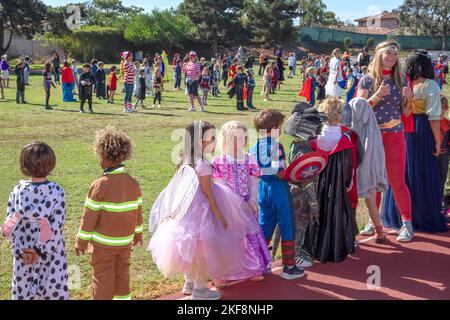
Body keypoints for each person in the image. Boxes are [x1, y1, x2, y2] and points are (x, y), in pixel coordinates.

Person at [149, 121, 257, 300]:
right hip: (203, 212)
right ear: (200, 141)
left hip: (188, 212)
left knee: (192, 249)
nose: (215, 142)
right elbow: (208, 195)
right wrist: (221, 217)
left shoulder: (187, 160)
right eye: (212, 139)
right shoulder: (204, 165)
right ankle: (200, 289)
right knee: (203, 250)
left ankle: (189, 283)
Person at [382, 49, 448, 233]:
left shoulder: (403, 83)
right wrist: (437, 141)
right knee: (423, 172)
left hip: (404, 129)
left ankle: (401, 215)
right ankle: (423, 214)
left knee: (403, 173)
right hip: (423, 130)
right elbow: (434, 117)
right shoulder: (430, 86)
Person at [75, 126, 143, 300]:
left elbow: (88, 218)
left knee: (102, 281)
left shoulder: (99, 185)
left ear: (104, 157)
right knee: (122, 279)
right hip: (125, 243)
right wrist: (138, 233)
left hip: (103, 247)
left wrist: (81, 242)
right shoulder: (133, 183)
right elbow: (138, 212)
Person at [357, 40, 416, 242]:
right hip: (373, 136)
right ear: (379, 54)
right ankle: (375, 221)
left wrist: (409, 98)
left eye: (395, 54)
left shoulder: (402, 80)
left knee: (397, 180)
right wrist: (377, 95)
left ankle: (407, 224)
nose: (392, 57)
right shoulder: (367, 80)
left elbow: (406, 112)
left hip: (395, 134)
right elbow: (359, 108)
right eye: (388, 53)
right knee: (374, 180)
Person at [1, 141, 69, 300]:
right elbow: (56, 227)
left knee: (24, 291)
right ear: (51, 164)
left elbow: (8, 226)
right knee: (53, 290)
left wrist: (20, 250)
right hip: (51, 255)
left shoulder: (17, 190)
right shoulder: (57, 191)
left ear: (23, 165)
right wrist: (38, 250)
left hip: (24, 254)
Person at [211, 121, 271, 287]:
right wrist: (232, 204)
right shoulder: (219, 161)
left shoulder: (249, 159)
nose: (242, 142)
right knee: (229, 238)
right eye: (237, 138)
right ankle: (224, 272)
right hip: (228, 206)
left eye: (244, 138)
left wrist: (252, 200)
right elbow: (220, 185)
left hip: (247, 205)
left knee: (248, 235)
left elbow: (253, 181)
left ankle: (252, 268)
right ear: (227, 140)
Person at [250, 109, 305, 280]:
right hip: (278, 188)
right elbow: (279, 172)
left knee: (265, 225)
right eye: (280, 127)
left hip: (262, 188)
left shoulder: (253, 146)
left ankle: (260, 263)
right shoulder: (276, 146)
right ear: (274, 128)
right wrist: (295, 172)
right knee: (286, 223)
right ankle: (289, 266)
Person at [305, 98, 358, 263]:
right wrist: (348, 182)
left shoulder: (315, 140)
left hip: (317, 184)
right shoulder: (346, 140)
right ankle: (334, 248)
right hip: (337, 186)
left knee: (317, 212)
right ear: (341, 116)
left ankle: (313, 246)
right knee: (335, 213)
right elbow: (350, 165)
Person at [349, 98, 388, 243]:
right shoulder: (373, 130)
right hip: (369, 171)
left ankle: (351, 237)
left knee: (351, 204)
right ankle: (379, 232)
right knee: (370, 201)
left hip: (355, 173)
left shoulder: (351, 132)